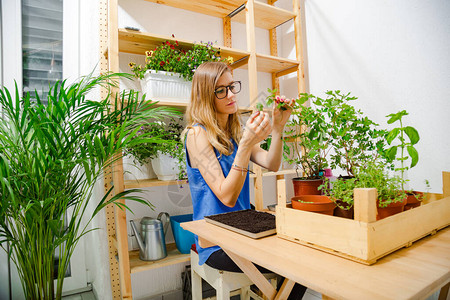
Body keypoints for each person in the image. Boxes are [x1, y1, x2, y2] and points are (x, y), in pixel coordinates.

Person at [183, 61, 306, 299]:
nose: (230, 95)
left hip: (243, 233)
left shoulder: (234, 133)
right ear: (206, 96)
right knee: (297, 268)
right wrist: (246, 144)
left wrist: (278, 129)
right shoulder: (197, 135)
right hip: (216, 243)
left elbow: (271, 163)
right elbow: (227, 197)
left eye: (232, 86)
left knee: (301, 258)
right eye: (221, 90)